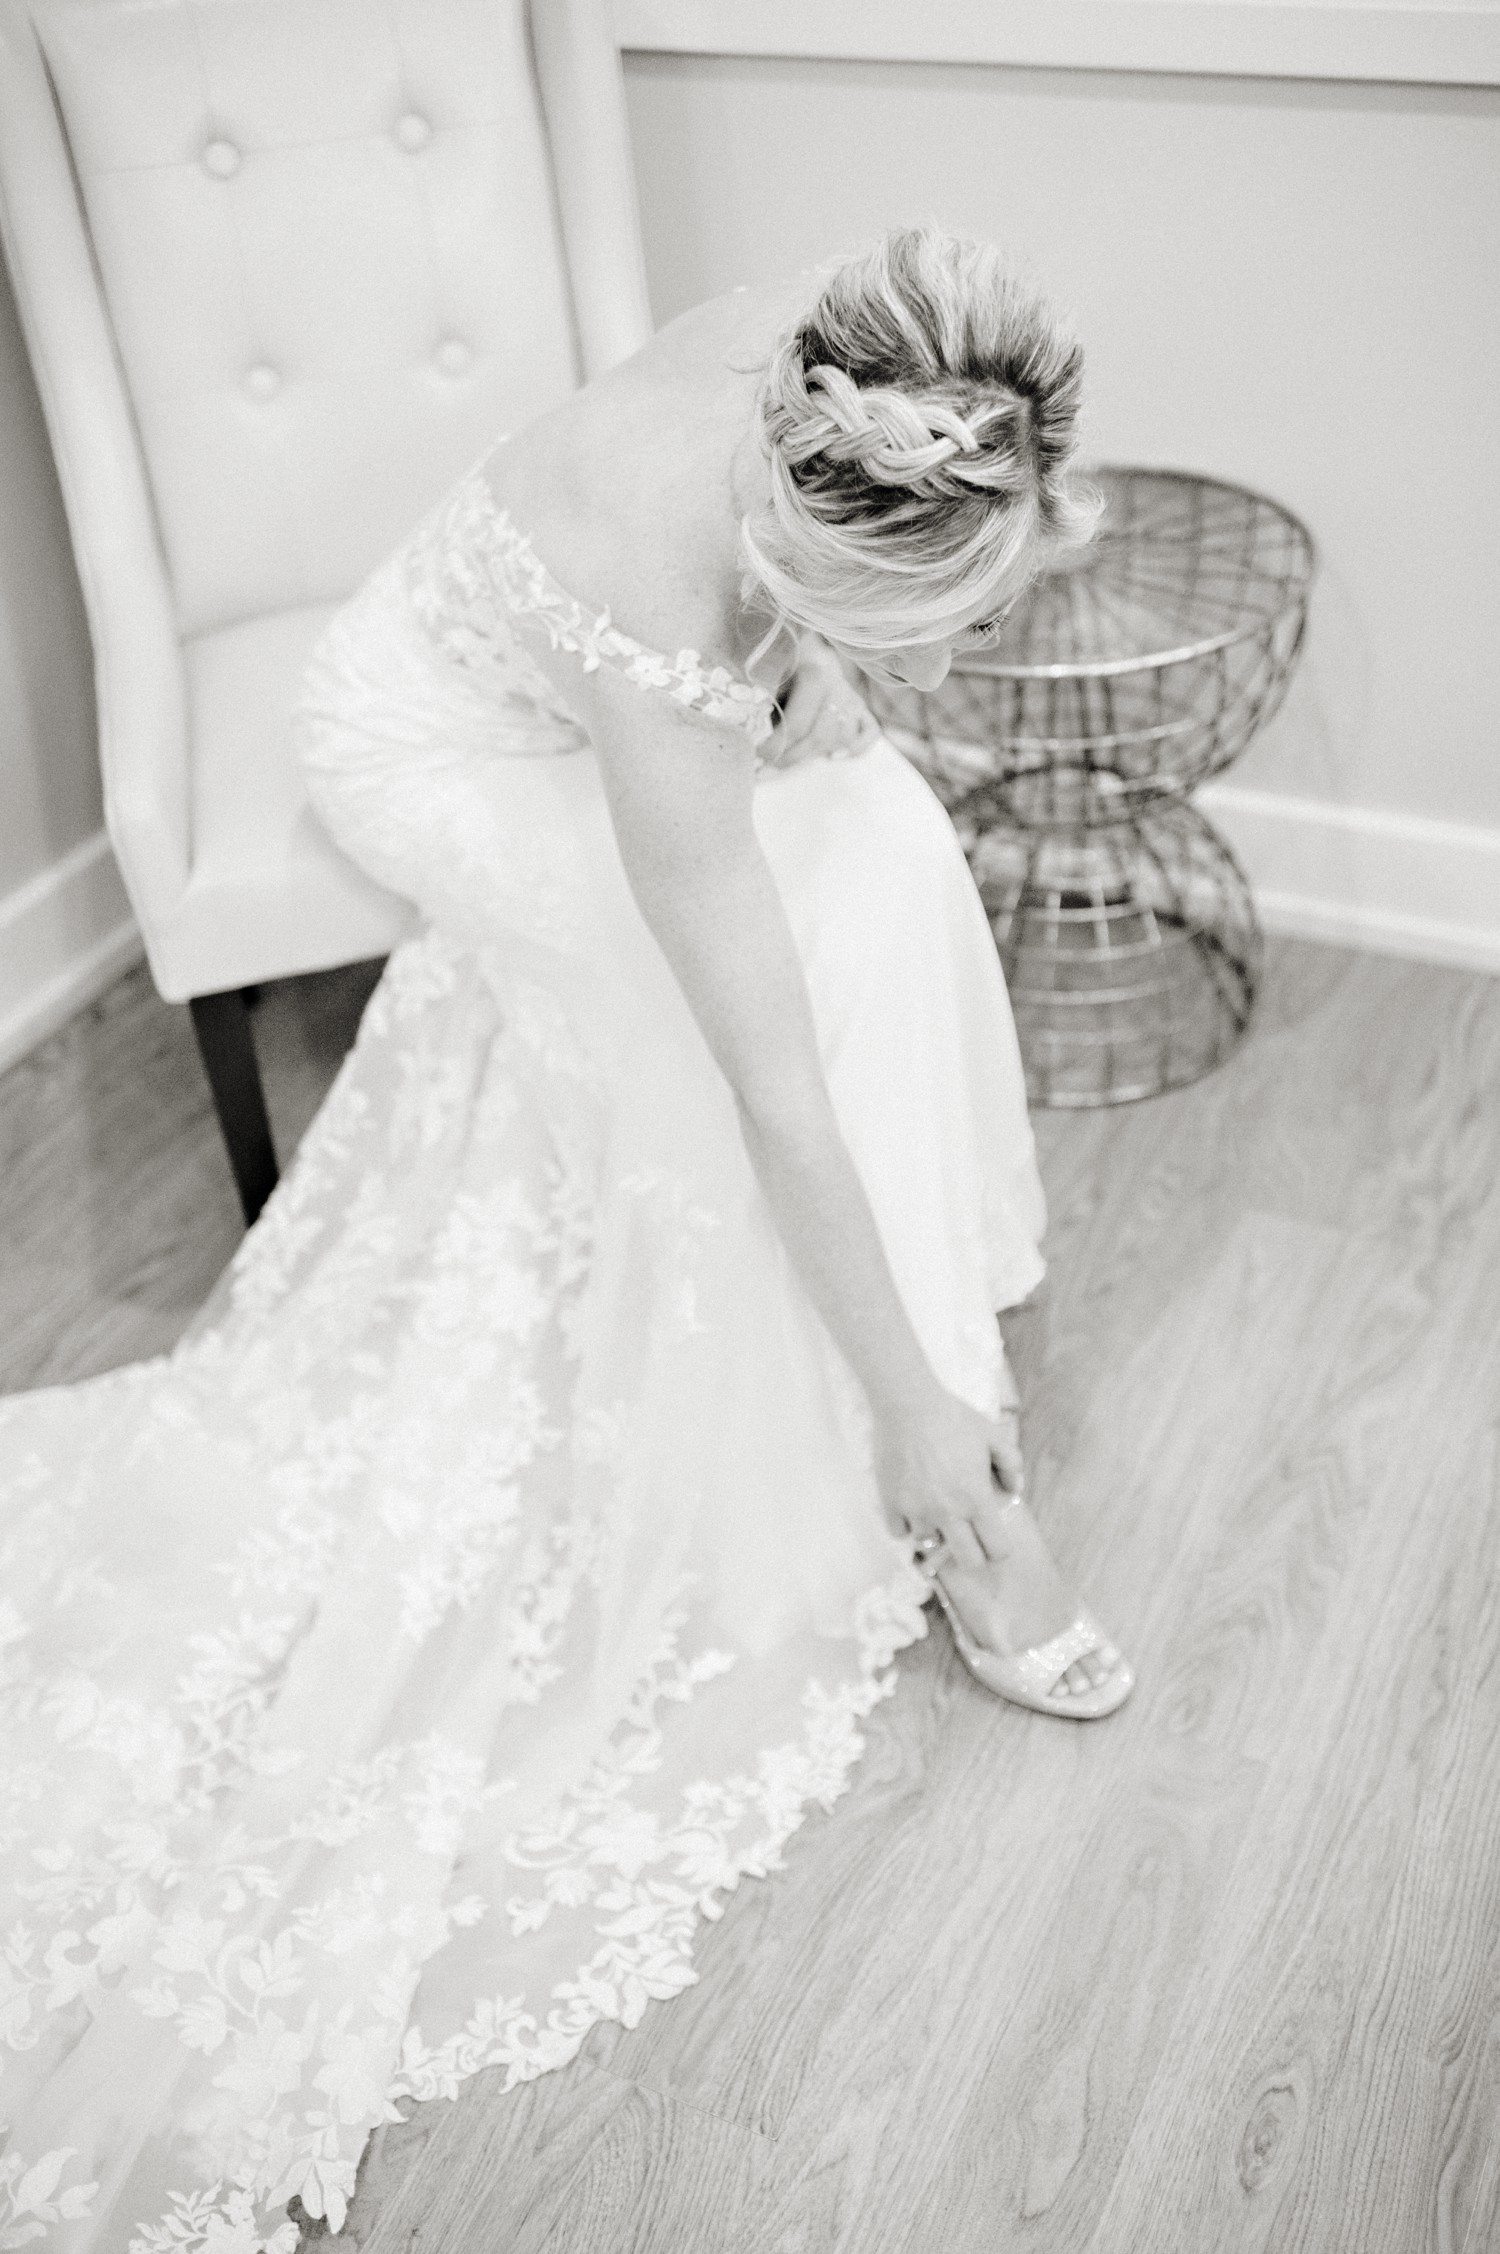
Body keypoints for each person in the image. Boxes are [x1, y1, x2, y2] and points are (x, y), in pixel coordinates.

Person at [0, 226, 1130, 2253]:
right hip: (432, 739)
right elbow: (769, 1072)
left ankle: (937, 1285)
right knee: (722, 1040)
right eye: (937, 633)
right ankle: (939, 1464)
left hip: (632, 677)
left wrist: (822, 683)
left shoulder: (844, 360)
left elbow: (820, 673)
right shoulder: (662, 621)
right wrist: (908, 1408)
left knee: (883, 841)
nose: (952, 673)